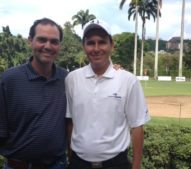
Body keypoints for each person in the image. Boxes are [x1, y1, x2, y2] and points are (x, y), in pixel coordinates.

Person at [65, 19, 150, 169]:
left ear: (112, 45)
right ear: (84, 46)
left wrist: (136, 167)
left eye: (102, 42)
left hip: (116, 164)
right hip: (79, 164)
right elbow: (71, 122)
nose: (96, 48)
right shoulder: (72, 79)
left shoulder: (128, 80)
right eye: (90, 43)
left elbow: (137, 127)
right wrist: (72, 159)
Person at [0, 18, 68, 169]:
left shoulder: (67, 79)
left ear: (59, 46)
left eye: (54, 41)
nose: (48, 46)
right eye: (42, 40)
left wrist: (113, 69)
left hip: (57, 165)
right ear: (30, 41)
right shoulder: (9, 80)